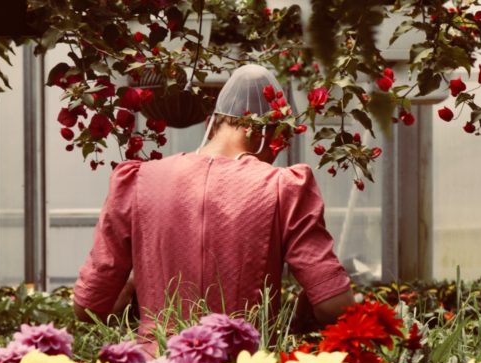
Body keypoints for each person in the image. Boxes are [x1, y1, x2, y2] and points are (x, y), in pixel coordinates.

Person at [73, 65, 354, 344]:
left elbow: (88, 307)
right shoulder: (284, 186)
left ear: (214, 122)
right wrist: (298, 310)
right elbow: (334, 306)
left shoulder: (137, 180)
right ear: (263, 133)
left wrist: (142, 286)